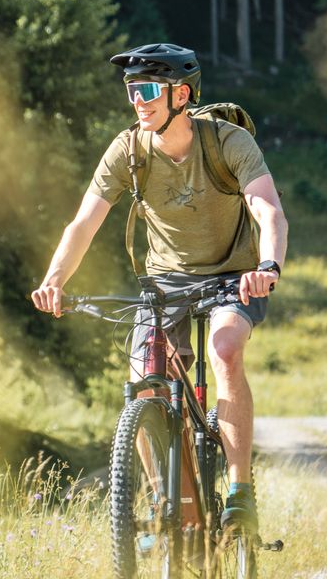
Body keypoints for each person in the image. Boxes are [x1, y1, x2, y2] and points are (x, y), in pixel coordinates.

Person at [30, 42, 288, 532]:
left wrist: (268, 265)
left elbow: (267, 208)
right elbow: (84, 222)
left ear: (181, 94)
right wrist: (54, 280)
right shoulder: (128, 150)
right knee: (143, 378)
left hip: (232, 276)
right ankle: (171, 508)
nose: (137, 101)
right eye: (131, 91)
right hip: (165, 282)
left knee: (225, 347)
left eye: (147, 89)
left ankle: (239, 492)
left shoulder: (227, 142)